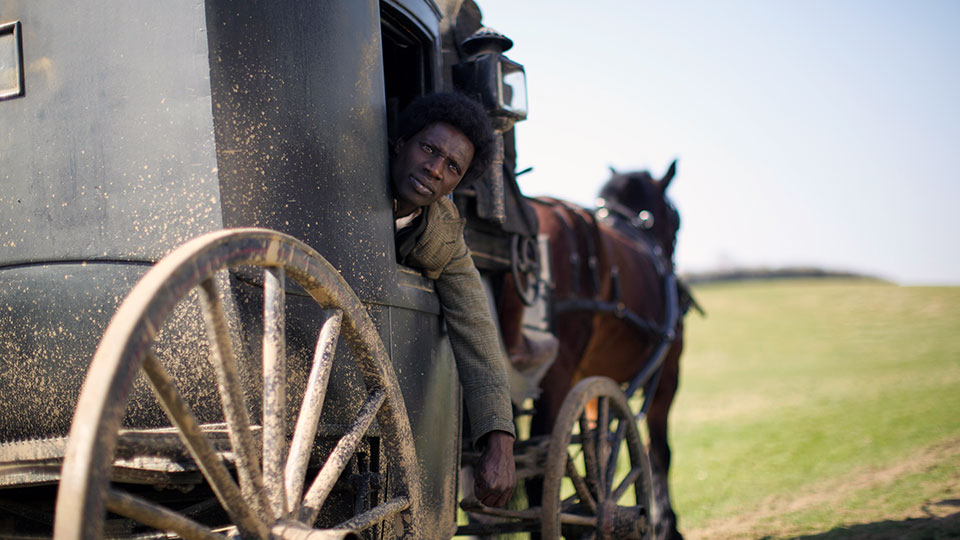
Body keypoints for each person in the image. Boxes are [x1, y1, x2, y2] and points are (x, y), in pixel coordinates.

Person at [391, 93, 516, 508]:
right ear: (400, 143)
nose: (434, 169)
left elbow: (476, 326)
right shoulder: (347, 176)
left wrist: (499, 439)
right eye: (429, 149)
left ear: (457, 184)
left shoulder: (444, 234)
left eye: (452, 167)